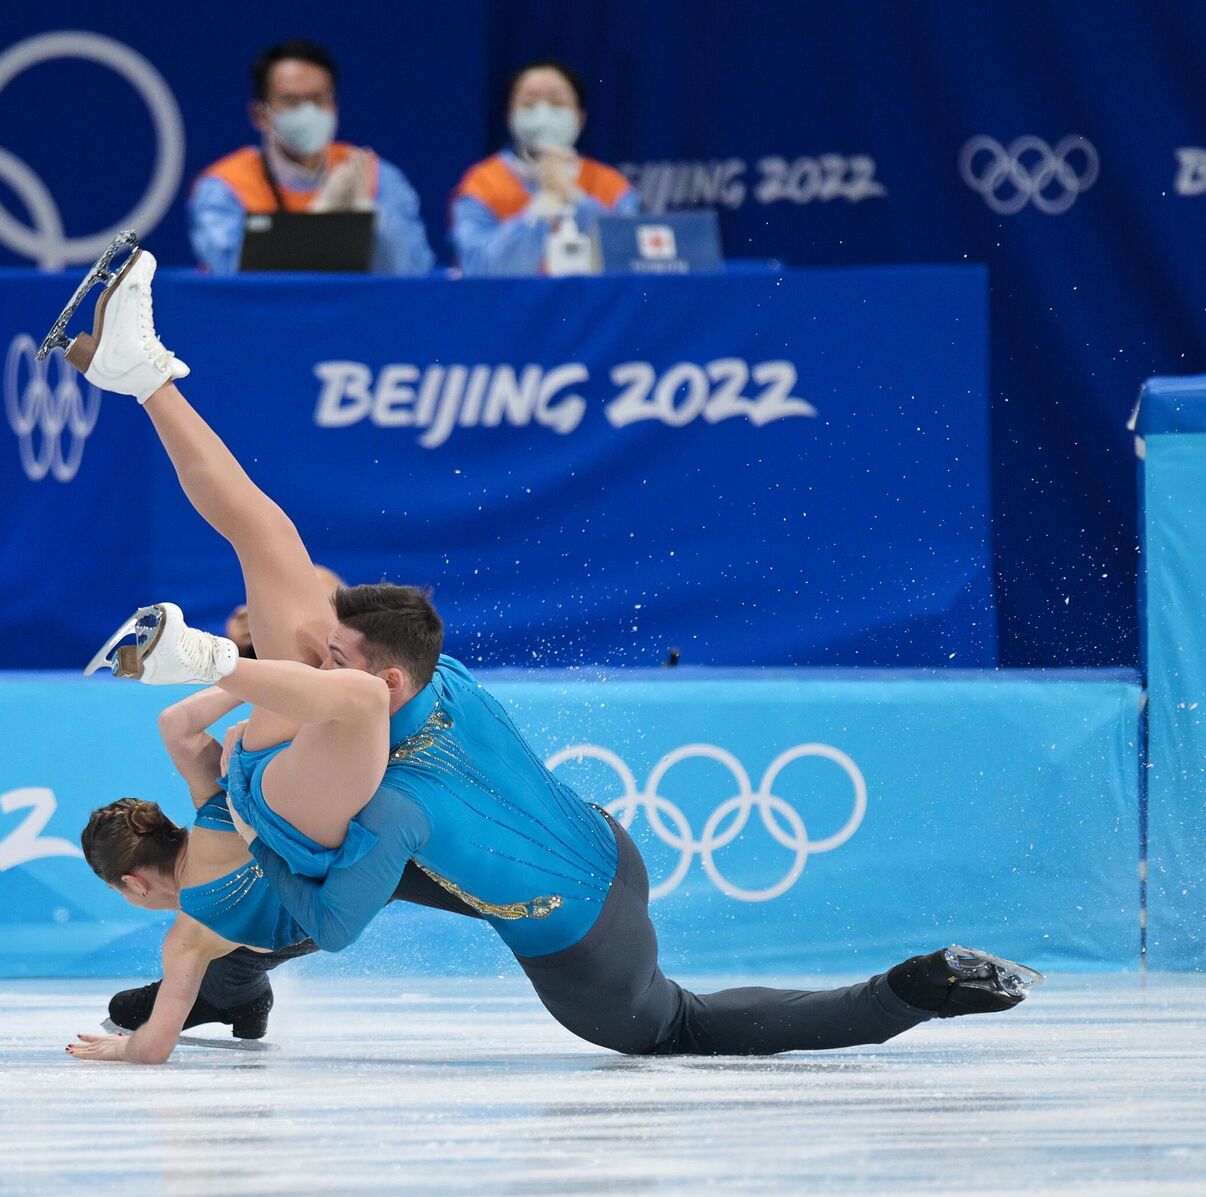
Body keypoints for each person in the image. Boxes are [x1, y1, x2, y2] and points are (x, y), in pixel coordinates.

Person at [63, 242, 1043, 1056]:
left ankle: (905, 990)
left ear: (383, 669)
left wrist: (220, 693)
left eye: (338, 651)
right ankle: (141, 373)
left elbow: (330, 919)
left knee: (670, 1026)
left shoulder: (376, 770)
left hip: (574, 933)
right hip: (604, 845)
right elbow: (312, 612)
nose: (322, 652)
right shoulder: (427, 674)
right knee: (272, 544)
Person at [73, 686, 478, 1063]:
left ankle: (238, 1000)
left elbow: (155, 1048)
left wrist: (127, 1049)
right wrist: (249, 679)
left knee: (232, 949)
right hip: (376, 821)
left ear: (133, 882)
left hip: (354, 891)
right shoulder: (213, 805)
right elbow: (174, 723)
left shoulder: (187, 940)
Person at [188, 39, 435, 276]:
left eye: (319, 99)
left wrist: (371, 219)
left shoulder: (374, 173)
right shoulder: (224, 187)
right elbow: (231, 273)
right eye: (291, 101)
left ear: (335, 108)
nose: (308, 112)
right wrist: (321, 218)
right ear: (259, 115)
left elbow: (415, 271)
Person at [451, 59, 639, 276]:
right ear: (510, 115)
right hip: (512, 307)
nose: (543, 113)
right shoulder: (483, 182)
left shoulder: (611, 184)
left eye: (557, 102)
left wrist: (573, 198)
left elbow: (630, 260)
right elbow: (477, 267)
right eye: (529, 103)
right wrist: (537, 213)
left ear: (580, 117)